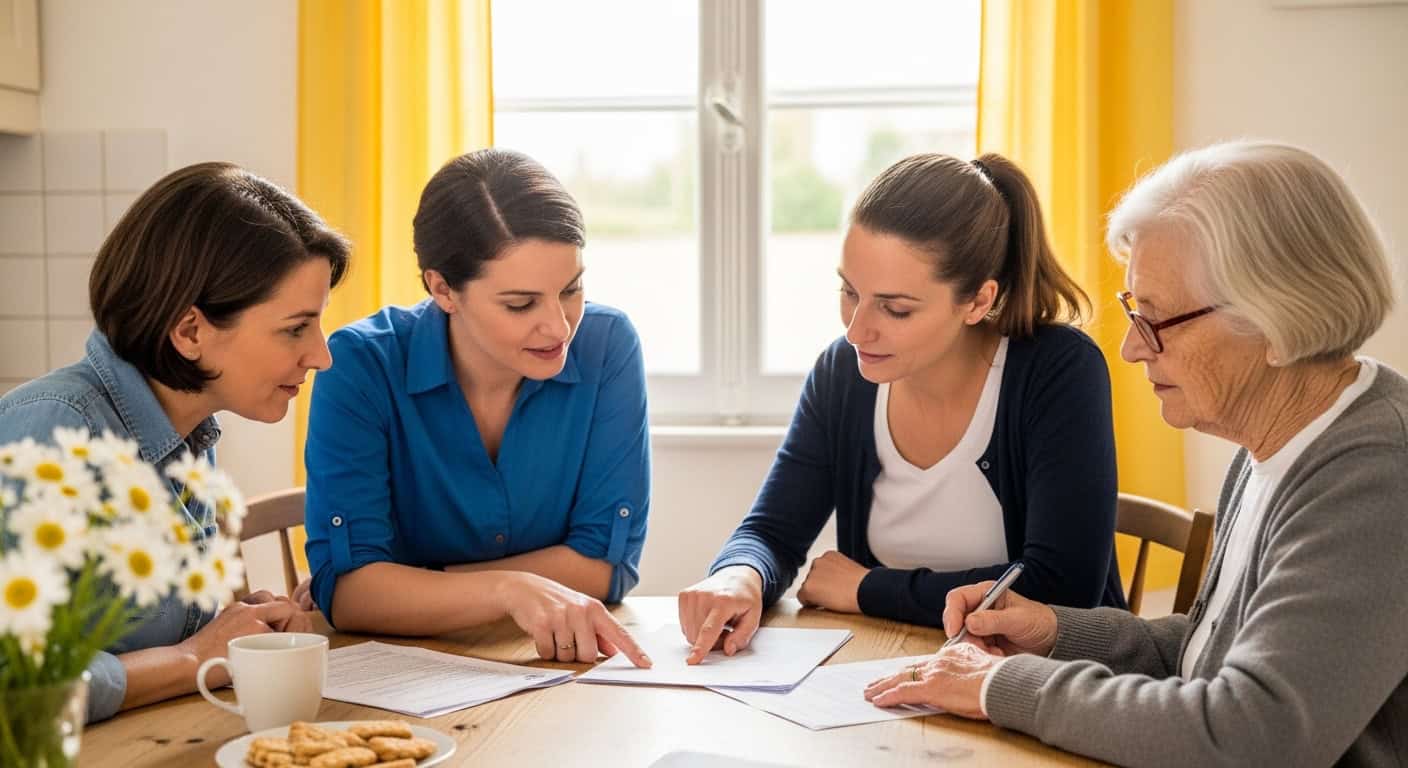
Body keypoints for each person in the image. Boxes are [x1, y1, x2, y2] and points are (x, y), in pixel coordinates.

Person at [864, 141, 1407, 767]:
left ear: (1277, 321)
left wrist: (997, 686)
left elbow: (1254, 733)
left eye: (1154, 318)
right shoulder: (1275, 440)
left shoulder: (1376, 473)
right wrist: (1054, 631)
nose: (1130, 349)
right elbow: (1211, 649)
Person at [679, 152, 1125, 662]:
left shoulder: (1058, 371)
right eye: (849, 291)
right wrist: (740, 575)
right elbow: (772, 531)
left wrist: (867, 589)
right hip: (888, 671)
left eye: (896, 309)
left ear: (979, 301)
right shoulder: (842, 374)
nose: (856, 330)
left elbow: (1060, 591)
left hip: (1042, 688)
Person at [0, 162, 346, 722]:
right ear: (190, 332)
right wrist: (189, 658)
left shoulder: (188, 430)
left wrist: (228, 629)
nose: (321, 355)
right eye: (294, 328)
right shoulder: (55, 432)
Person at [303, 148, 650, 667]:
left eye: (571, 289)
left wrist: (411, 588)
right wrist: (507, 590)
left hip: (557, 668)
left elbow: (606, 564)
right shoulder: (360, 365)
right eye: (520, 304)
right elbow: (353, 595)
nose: (559, 327)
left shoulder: (607, 345)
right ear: (442, 288)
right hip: (400, 676)